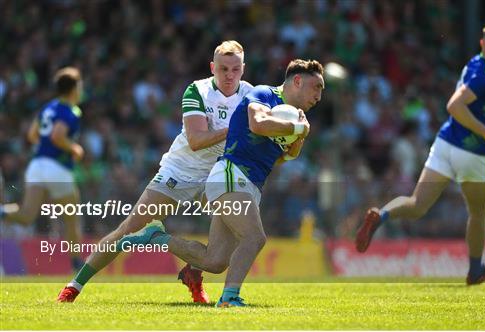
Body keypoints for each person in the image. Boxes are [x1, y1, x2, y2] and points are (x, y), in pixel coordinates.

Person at [56, 40, 253, 303]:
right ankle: (74, 286)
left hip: (220, 175)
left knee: (221, 254)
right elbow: (196, 140)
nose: (229, 75)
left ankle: (193, 274)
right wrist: (235, 130)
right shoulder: (197, 90)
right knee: (129, 228)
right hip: (181, 170)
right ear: (212, 67)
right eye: (223, 69)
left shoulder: (251, 94)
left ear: (243, 69)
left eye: (235, 69)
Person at [118, 59, 324, 307]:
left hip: (249, 184)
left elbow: (285, 156)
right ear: (298, 81)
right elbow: (257, 124)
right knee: (254, 238)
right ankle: (229, 298)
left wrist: (299, 134)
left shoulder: (293, 115)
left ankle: (154, 237)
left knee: (214, 261)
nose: (319, 96)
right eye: (316, 87)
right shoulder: (264, 93)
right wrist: (296, 127)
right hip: (230, 175)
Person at [355, 24, 485, 285]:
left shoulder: (476, 64)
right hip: (472, 153)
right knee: (479, 212)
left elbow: (476, 102)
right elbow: (454, 105)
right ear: (484, 43)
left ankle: (381, 215)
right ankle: (475, 269)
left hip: (445, 144)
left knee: (416, 204)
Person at [1, 67, 85, 270]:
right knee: (72, 217)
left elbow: (32, 135)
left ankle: (1, 211)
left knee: (26, 214)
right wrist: (74, 147)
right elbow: (57, 135)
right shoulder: (71, 111)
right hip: (57, 168)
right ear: (74, 88)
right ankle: (76, 263)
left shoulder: (47, 108)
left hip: (37, 165)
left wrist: (46, 148)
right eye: (80, 85)